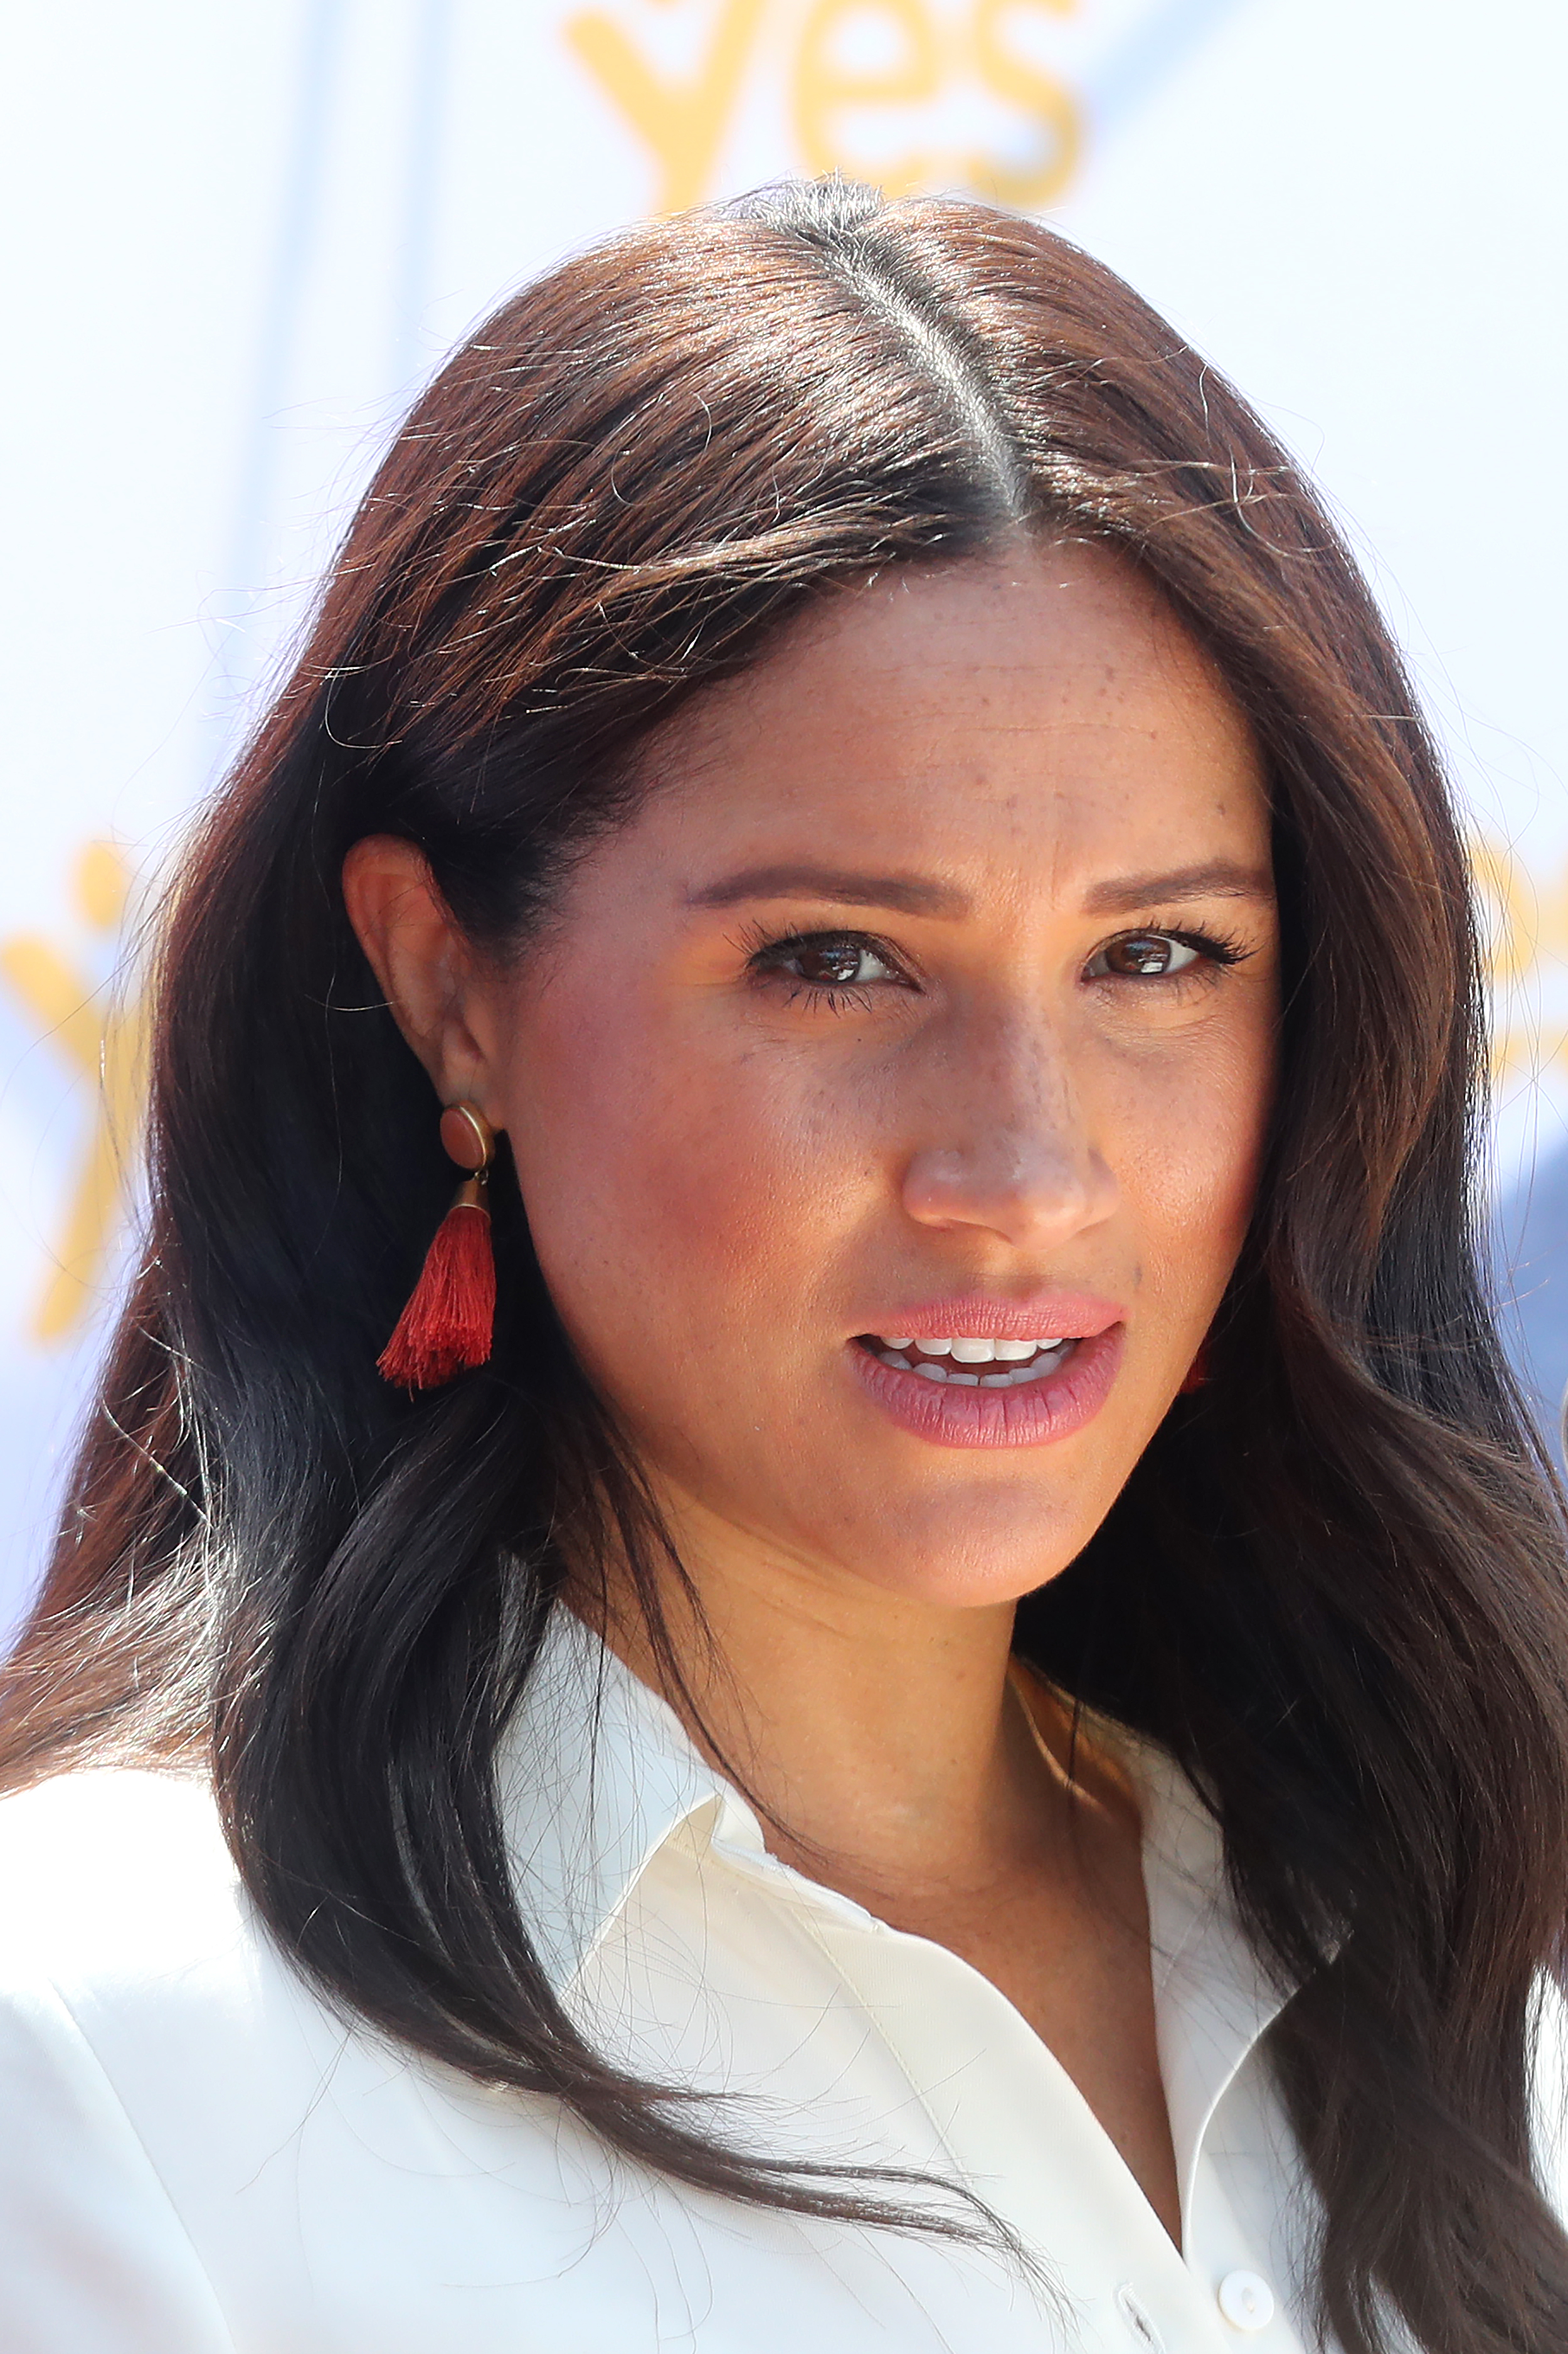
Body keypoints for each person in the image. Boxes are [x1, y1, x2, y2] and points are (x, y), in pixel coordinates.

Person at [1, 178, 1564, 2354]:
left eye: (1159, 957)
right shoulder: (103, 2053)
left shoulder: (1455, 1949)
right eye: (835, 963)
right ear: (447, 988)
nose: (1021, 1171)